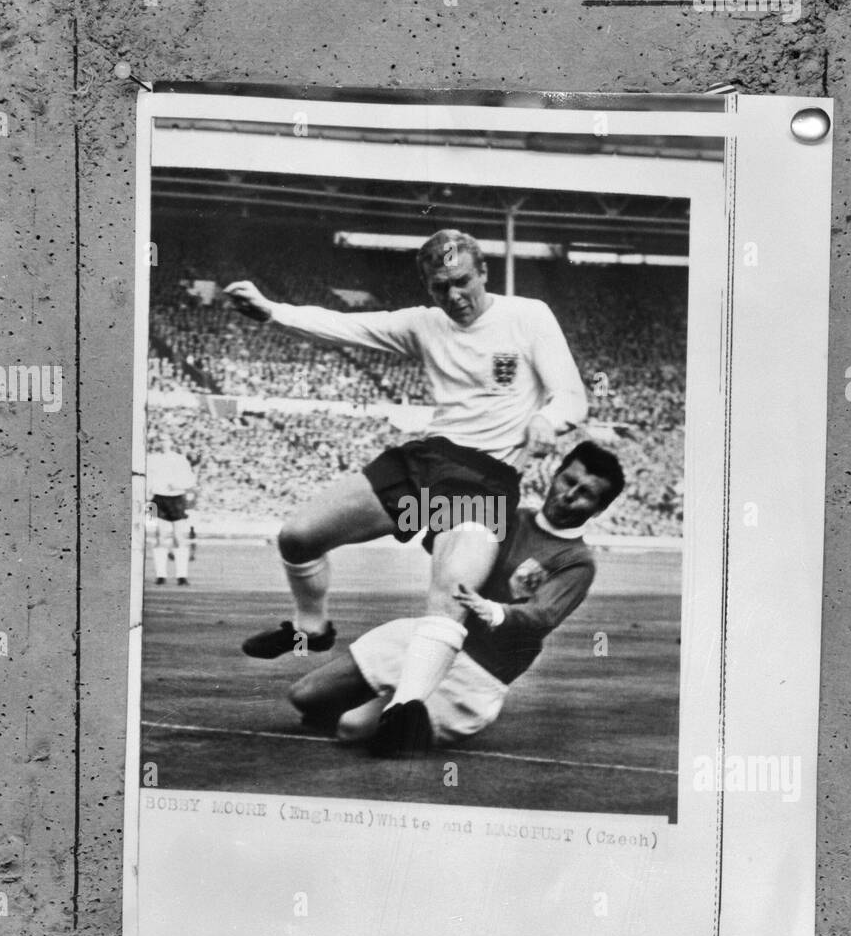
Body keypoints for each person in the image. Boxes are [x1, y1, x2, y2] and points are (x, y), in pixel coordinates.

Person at [224, 229, 588, 756]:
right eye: (441, 286)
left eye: (463, 281)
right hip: (423, 463)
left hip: (483, 478)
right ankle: (312, 625)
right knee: (298, 536)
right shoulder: (423, 323)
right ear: (429, 286)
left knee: (449, 593)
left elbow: (573, 394)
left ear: (483, 272)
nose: (455, 295)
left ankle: (405, 711)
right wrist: (272, 311)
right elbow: (348, 326)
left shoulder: (528, 316)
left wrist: (550, 419)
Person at [289, 441, 624, 757]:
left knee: (352, 728)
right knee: (305, 697)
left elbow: (543, 616)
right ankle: (390, 698)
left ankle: (400, 709)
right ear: (555, 474)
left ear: (598, 508)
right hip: (430, 636)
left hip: (477, 671)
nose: (569, 495)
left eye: (585, 494)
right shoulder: (504, 514)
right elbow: (442, 537)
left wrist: (494, 611)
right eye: (569, 481)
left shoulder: (576, 560)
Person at [146, 433, 196, 586]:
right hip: (158, 499)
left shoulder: (179, 459)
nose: (163, 443)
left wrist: (178, 485)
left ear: (171, 442)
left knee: (179, 536)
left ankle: (182, 576)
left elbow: (190, 480)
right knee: (160, 535)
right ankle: (161, 575)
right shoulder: (152, 458)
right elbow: (147, 478)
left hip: (177, 498)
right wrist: (148, 493)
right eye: (160, 440)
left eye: (166, 440)